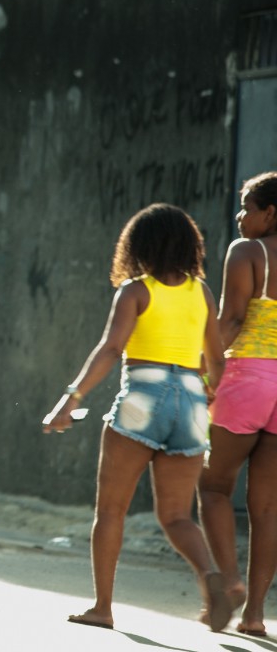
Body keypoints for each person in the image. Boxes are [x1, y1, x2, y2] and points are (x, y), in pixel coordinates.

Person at [41, 203, 229, 631]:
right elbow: (216, 361)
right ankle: (212, 577)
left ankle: (102, 607)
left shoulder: (135, 290)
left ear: (138, 246)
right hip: (192, 401)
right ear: (189, 245)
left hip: (144, 395)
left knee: (111, 511)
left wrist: (69, 399)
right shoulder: (202, 293)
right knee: (178, 516)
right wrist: (210, 404)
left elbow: (110, 349)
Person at [199, 171, 277, 636]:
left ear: (271, 213)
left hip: (247, 378)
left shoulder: (247, 252)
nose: (239, 215)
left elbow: (230, 319)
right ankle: (255, 617)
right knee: (268, 509)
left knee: (213, 488)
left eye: (247, 206)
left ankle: (229, 583)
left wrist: (199, 371)